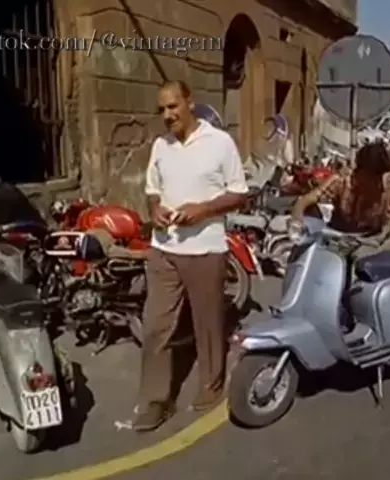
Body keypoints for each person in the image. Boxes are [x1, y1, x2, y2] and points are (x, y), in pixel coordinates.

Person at [134, 80, 249, 431]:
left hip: (205, 250)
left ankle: (211, 384)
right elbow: (153, 190)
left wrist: (203, 209)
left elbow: (239, 194)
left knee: (207, 323)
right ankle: (156, 400)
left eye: (173, 106)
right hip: (164, 249)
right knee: (155, 325)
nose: (168, 115)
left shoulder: (220, 143)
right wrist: (154, 209)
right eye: (162, 109)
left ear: (190, 102)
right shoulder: (161, 146)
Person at [291, 142, 390, 260]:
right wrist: (298, 220)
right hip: (338, 238)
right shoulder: (342, 181)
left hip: (370, 241)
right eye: (371, 175)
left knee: (362, 269)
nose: (376, 182)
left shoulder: (389, 183)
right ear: (359, 171)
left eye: (378, 176)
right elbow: (306, 200)